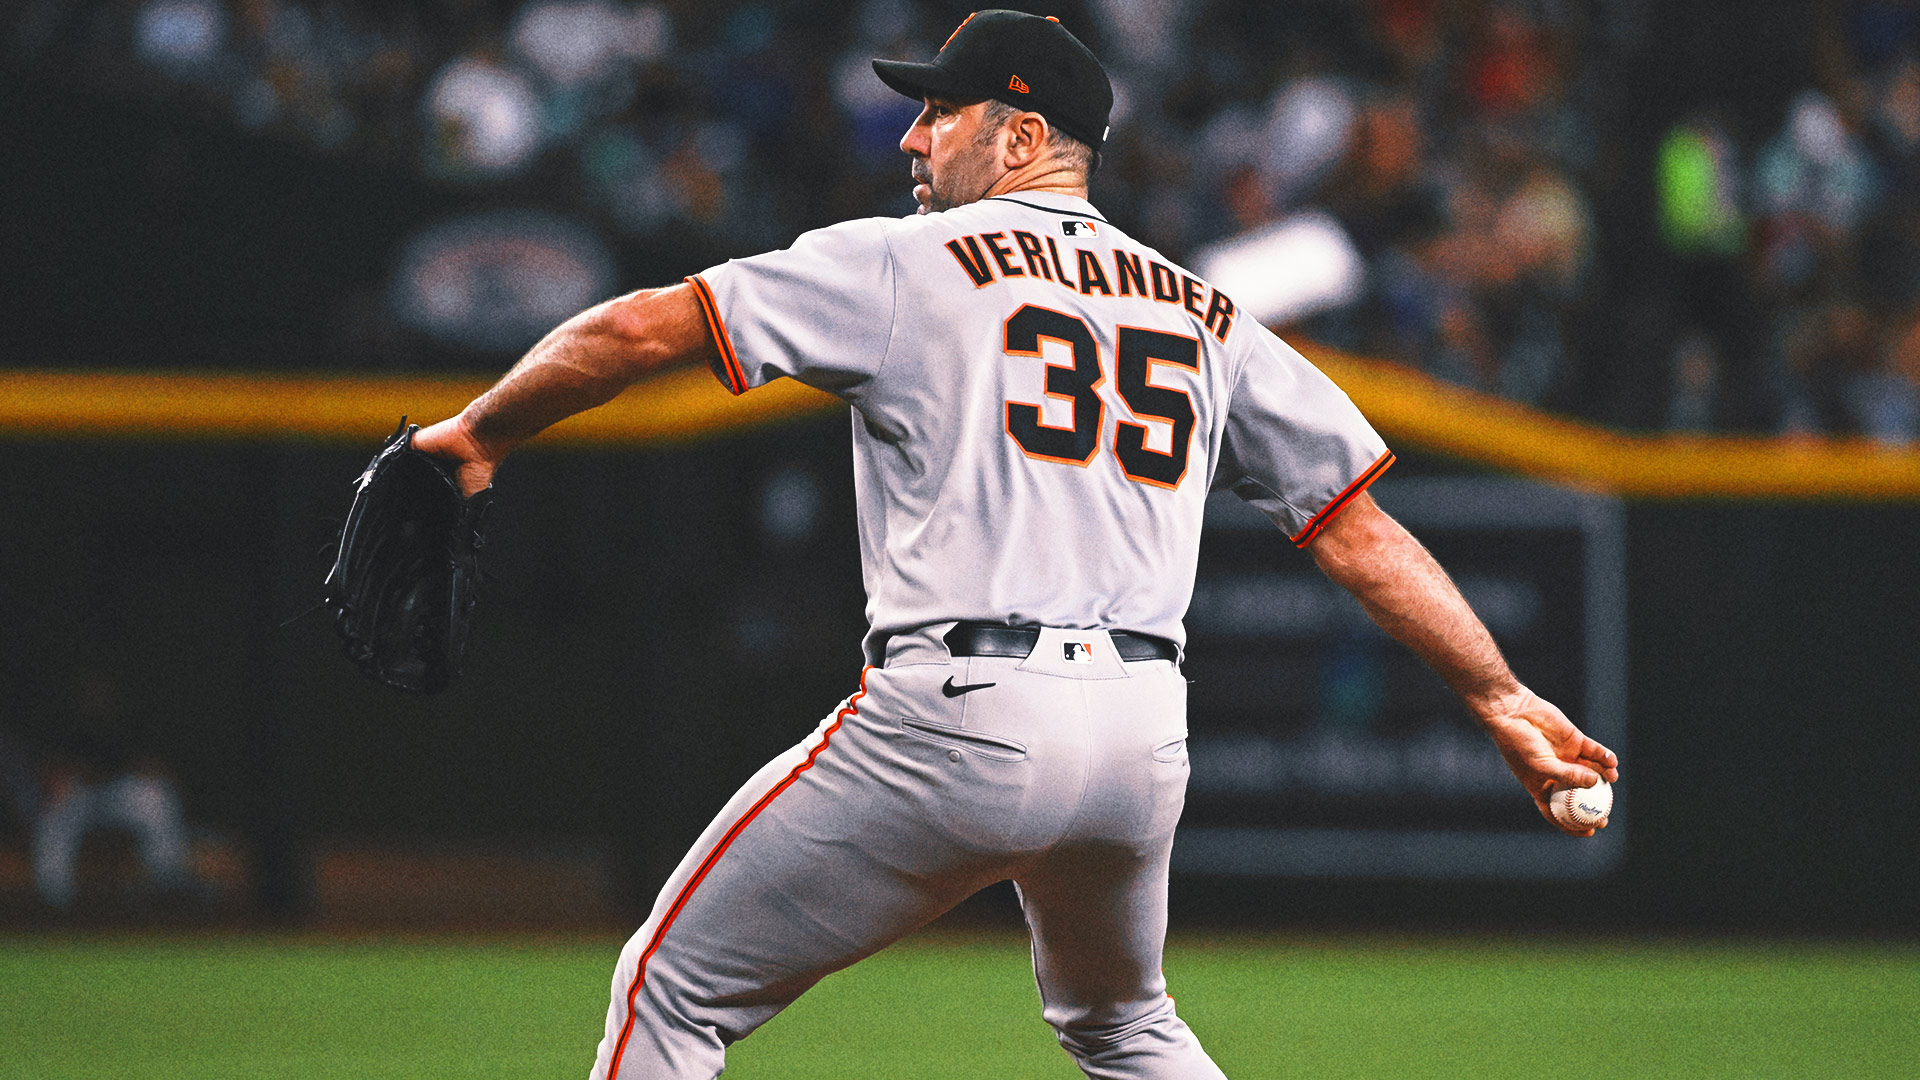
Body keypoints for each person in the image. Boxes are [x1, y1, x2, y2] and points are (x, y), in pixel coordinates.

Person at [412, 12, 1619, 1078]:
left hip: (964, 712)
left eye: (941, 112)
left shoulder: (904, 259)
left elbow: (639, 330)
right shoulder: (1203, 308)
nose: (912, 137)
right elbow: (1353, 529)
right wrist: (1499, 694)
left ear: (1023, 136)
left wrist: (477, 434)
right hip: (1141, 739)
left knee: (671, 986)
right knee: (1125, 1023)